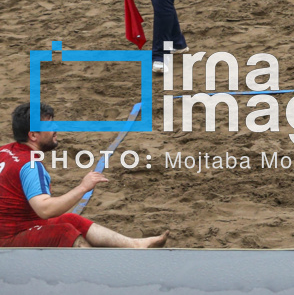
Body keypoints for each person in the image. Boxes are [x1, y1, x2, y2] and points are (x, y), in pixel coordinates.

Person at [0, 103, 168, 248]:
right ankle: (93, 277)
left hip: (15, 227)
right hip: (9, 239)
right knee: (65, 233)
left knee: (72, 220)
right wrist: (83, 187)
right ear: (33, 135)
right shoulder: (30, 165)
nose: (55, 129)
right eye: (49, 126)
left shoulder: (4, 151)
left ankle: (136, 245)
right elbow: (45, 209)